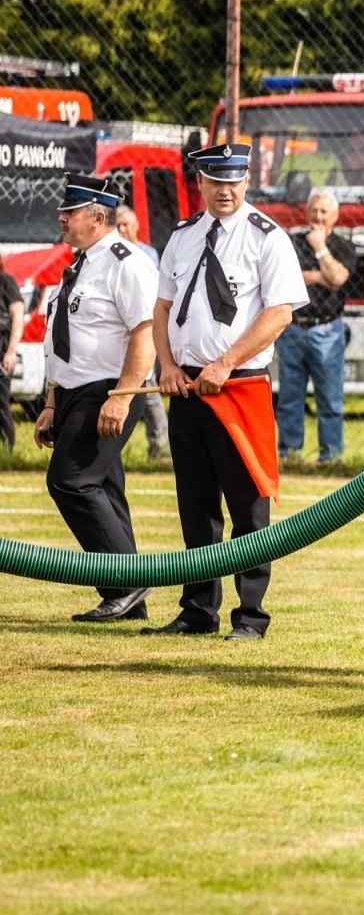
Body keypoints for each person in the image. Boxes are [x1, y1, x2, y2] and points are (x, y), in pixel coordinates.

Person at [143, 143, 308, 640]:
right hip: (187, 386)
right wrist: (168, 364)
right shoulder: (183, 235)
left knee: (248, 507)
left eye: (234, 181)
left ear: (246, 181)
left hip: (239, 385)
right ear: (200, 182)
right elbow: (162, 308)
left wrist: (226, 362)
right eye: (216, 181)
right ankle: (198, 610)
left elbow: (279, 313)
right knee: (195, 505)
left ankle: (251, 616)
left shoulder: (267, 237)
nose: (226, 190)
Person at [35, 176, 158, 622]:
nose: (62, 219)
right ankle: (127, 601)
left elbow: (145, 332)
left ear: (98, 216)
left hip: (106, 390)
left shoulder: (127, 262)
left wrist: (121, 396)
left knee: (70, 480)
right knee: (103, 487)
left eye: (70, 212)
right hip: (73, 392)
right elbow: (60, 337)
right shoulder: (80, 264)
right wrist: (52, 402)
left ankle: (128, 582)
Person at [276, 189, 357, 465]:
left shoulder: (343, 246)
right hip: (293, 327)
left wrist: (320, 248)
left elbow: (338, 279)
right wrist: (320, 276)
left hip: (328, 330)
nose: (318, 216)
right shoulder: (292, 243)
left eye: (324, 211)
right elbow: (284, 277)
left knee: (330, 399)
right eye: (314, 210)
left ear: (335, 216)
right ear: (306, 212)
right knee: (289, 398)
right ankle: (289, 454)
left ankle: (330, 456)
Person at [111, 204, 169, 460]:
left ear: (136, 226)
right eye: (118, 225)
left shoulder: (147, 254)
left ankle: (160, 442)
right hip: (120, 331)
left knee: (147, 385)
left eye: (126, 224)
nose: (122, 229)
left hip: (145, 328)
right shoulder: (110, 255)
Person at [0, 254, 21, 452]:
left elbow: (18, 315)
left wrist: (11, 351)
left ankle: (8, 451)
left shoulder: (6, 281)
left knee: (1, 403)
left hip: (2, 349)